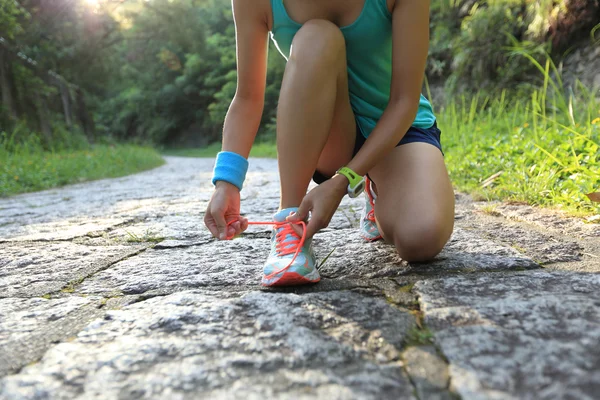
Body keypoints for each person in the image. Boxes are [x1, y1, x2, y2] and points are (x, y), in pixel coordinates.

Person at [205, 0, 455, 286]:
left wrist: (344, 180)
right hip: (330, 133)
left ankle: (376, 189)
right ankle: (290, 221)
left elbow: (404, 101)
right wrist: (227, 182)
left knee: (421, 237)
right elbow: (248, 97)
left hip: (396, 129)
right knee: (317, 36)